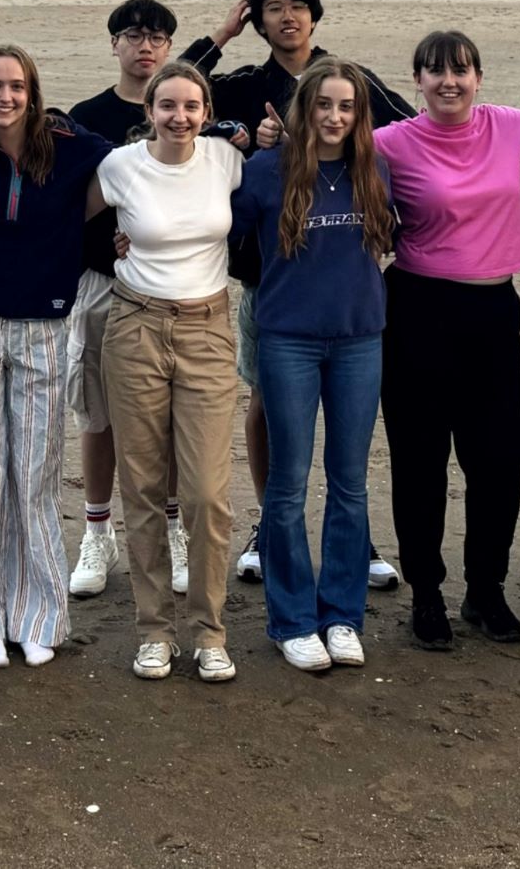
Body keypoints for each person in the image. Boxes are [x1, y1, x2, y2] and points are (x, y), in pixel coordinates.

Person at [186, 0, 410, 590]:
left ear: (314, 15)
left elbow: (408, 128)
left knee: (348, 427)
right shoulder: (242, 85)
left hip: (343, 274)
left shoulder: (349, 80)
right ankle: (269, 524)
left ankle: (355, 538)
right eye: (272, 9)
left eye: (297, 6)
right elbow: (171, 97)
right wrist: (220, 39)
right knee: (266, 400)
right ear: (258, 21)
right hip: (272, 274)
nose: (287, 17)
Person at [0, 45, 112, 668]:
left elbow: (140, 152)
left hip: (44, 326)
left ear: (33, 94)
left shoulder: (72, 149)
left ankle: (36, 616)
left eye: (15, 87)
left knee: (32, 476)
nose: (3, 97)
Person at [230, 59, 399, 672]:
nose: (334, 117)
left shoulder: (373, 167)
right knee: (288, 485)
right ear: (305, 108)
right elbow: (220, 238)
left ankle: (343, 616)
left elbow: (394, 239)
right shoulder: (265, 172)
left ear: (359, 114)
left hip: (359, 340)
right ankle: (293, 619)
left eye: (346, 107)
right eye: (323, 104)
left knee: (350, 485)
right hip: (288, 341)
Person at [373, 30, 520, 650]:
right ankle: (427, 594)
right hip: (418, 310)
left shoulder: (517, 127)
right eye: (435, 71)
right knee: (420, 463)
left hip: (494, 310)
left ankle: (485, 590)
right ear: (416, 79)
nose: (449, 82)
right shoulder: (388, 143)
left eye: (461, 70)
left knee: (499, 462)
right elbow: (325, 158)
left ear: (479, 77)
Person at [100, 61, 250, 682]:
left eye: (191, 106)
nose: (179, 117)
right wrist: (107, 247)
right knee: (140, 487)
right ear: (149, 111)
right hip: (134, 325)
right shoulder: (120, 166)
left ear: (206, 110)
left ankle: (210, 632)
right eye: (167, 105)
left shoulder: (225, 160)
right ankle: (155, 630)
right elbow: (73, 219)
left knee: (208, 495)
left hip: (208, 328)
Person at [63, 0, 188, 601]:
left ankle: (171, 528)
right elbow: (68, 202)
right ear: (114, 43)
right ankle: (96, 531)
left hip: (168, 288)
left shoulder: (183, 110)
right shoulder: (86, 116)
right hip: (100, 284)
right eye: (134, 35)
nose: (146, 46)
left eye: (158, 37)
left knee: (164, 417)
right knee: (98, 414)